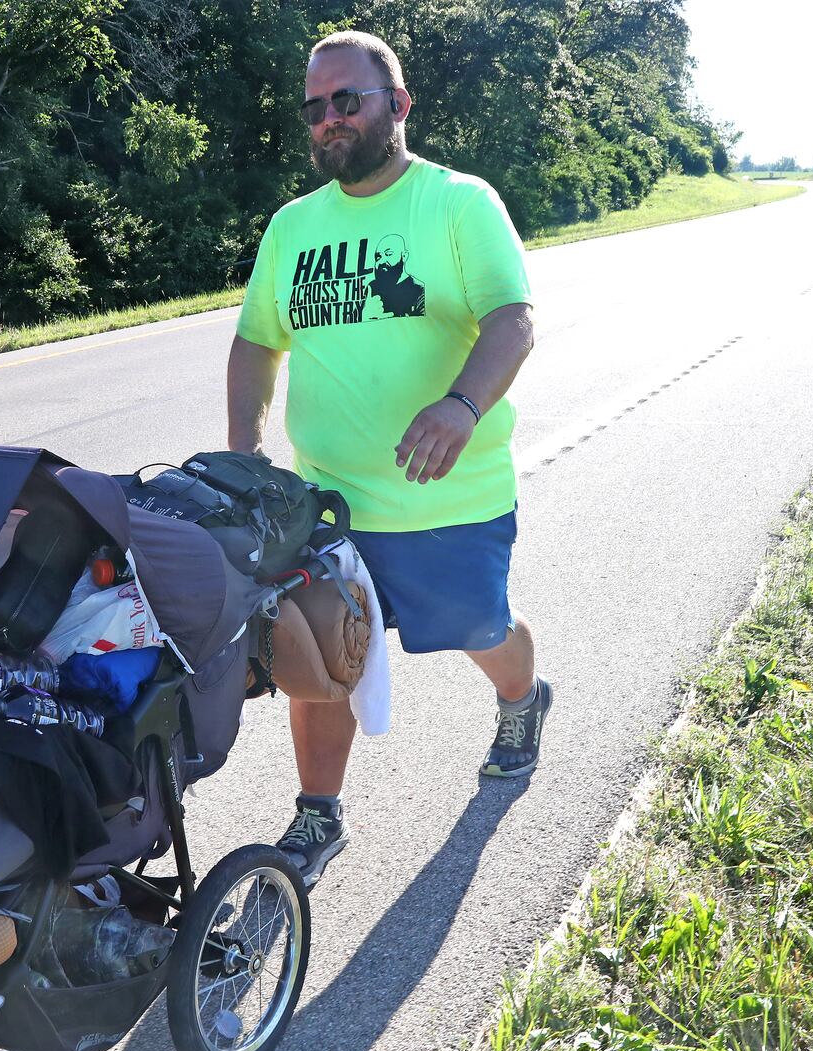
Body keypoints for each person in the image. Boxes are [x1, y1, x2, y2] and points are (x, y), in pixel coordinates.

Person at [226, 29, 551, 887]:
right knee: (316, 658)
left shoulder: (457, 203)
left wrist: (460, 405)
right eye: (314, 108)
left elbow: (512, 320)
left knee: (480, 629)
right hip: (325, 506)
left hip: (447, 501)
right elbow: (256, 344)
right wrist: (244, 454)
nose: (328, 119)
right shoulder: (294, 227)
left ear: (397, 105)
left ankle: (522, 698)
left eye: (347, 100)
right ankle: (316, 814)